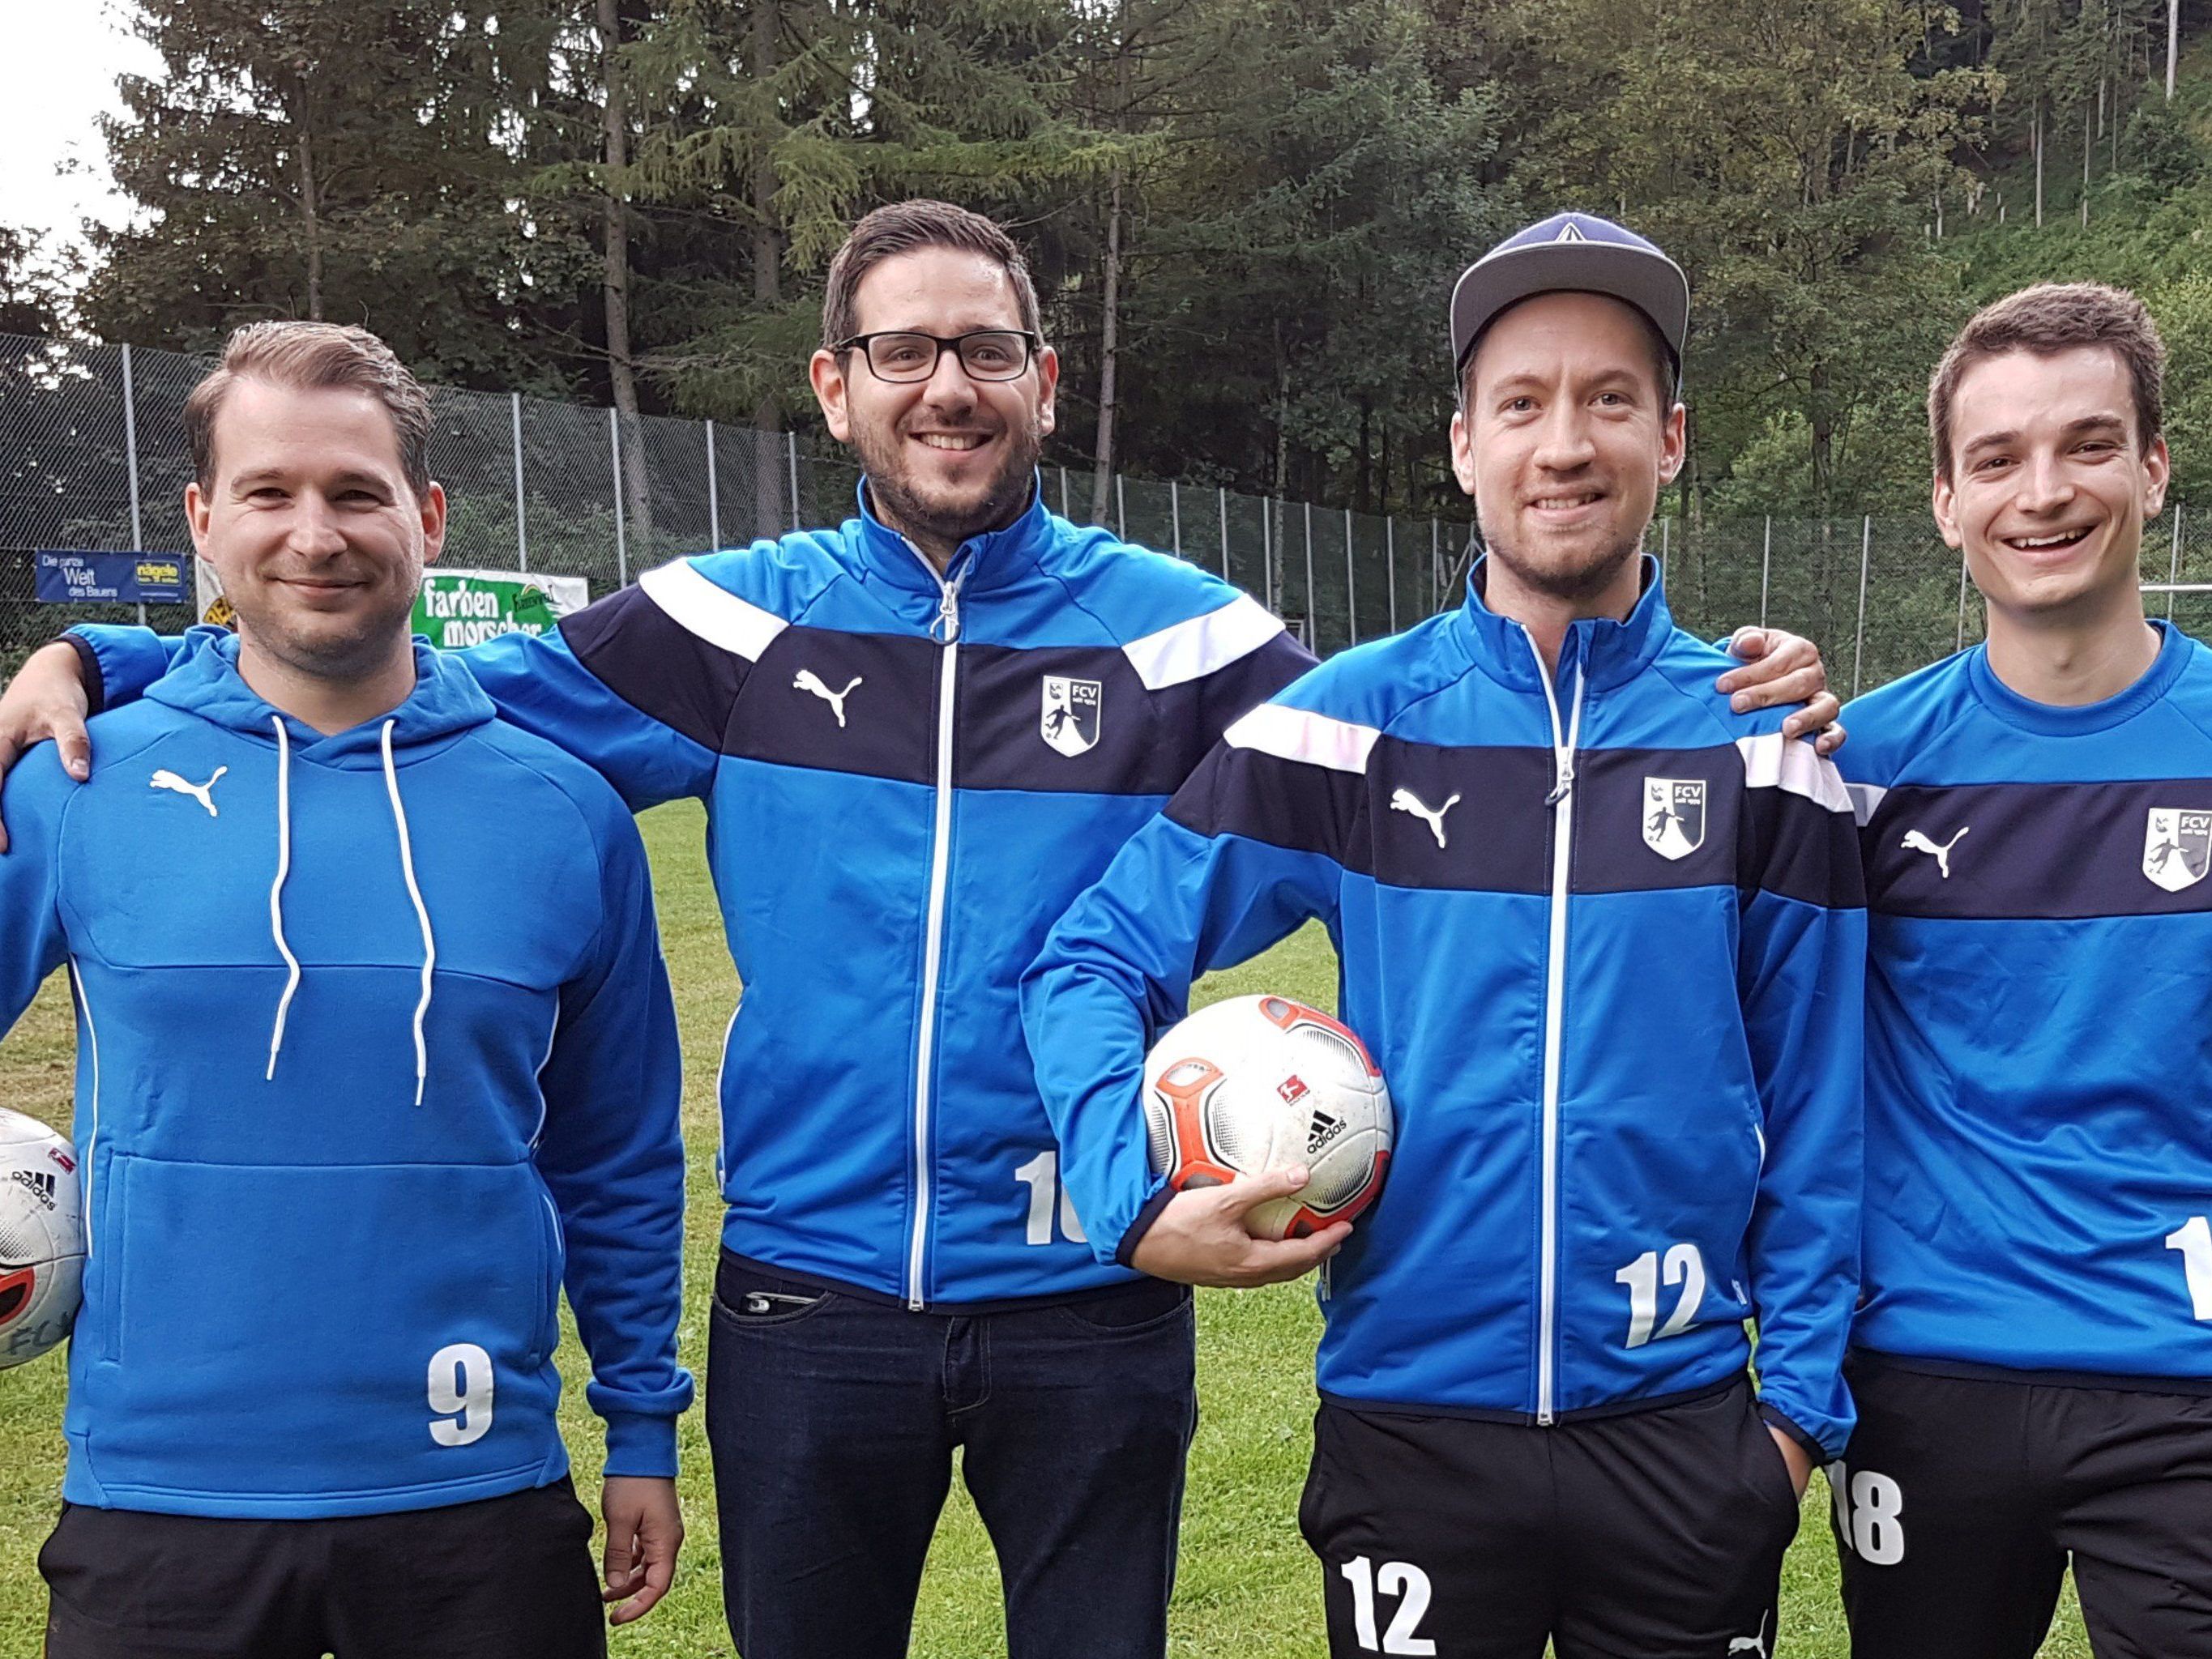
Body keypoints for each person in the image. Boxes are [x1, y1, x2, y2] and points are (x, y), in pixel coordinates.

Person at [0, 201, 1840, 1659]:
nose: (946, 386)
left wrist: (1743, 692)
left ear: (1044, 377)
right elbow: (398, 672)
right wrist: (143, 663)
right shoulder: (732, 626)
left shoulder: (1188, 642)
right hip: (809, 1317)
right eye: (903, 352)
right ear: (834, 385)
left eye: (983, 350)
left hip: (1089, 1318)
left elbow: (1472, 717)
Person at [1022, 212, 1867, 1659]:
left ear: (1669, 438)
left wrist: (1787, 1419)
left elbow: (1822, 1107)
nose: (1565, 444)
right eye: (1522, 403)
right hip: (1409, 1428)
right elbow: (1092, 955)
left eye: (1608, 400)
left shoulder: (1759, 744)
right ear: (1463, 442)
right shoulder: (1350, 723)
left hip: (1680, 1433)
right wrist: (1134, 1195)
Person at [0, 321, 690, 1659]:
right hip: (160, 1501)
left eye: (356, 492)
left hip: (475, 1497)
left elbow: (619, 1158)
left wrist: (644, 1425)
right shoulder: (76, 783)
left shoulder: (566, 813)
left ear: (424, 516)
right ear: (204, 522)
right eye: (268, 493)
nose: (315, 534)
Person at [1830, 283, 2212, 1657]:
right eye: (1994, 459)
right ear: (1944, 499)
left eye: (2087, 445)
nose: (2040, 493)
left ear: (2154, 468)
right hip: (1926, 1378)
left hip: (2184, 1383)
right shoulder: (1851, 771)